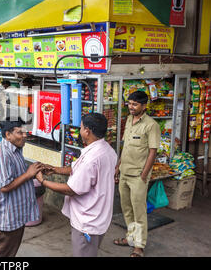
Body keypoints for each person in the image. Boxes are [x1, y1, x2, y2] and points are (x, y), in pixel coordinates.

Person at [36, 113, 117, 257]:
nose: (79, 131)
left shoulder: (92, 158)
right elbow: (77, 169)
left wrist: (43, 181)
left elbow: (71, 190)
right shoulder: (107, 150)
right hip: (99, 216)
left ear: (87, 131)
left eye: (80, 127)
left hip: (88, 220)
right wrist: (55, 169)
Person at [0, 119, 45, 257]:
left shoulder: (15, 149)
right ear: (8, 135)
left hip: (16, 213)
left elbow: (19, 174)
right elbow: (5, 187)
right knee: (3, 253)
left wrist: (35, 171)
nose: (24, 136)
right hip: (7, 215)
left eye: (24, 132)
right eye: (20, 133)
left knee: (10, 251)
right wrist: (29, 174)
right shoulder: (3, 155)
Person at [113, 91, 161, 257]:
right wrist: (117, 167)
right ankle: (131, 238)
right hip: (125, 172)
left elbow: (152, 152)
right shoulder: (128, 120)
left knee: (139, 211)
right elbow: (126, 147)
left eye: (134, 104)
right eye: (129, 103)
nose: (131, 107)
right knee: (127, 209)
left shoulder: (151, 125)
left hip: (138, 176)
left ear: (144, 106)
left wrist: (144, 175)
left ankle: (139, 246)